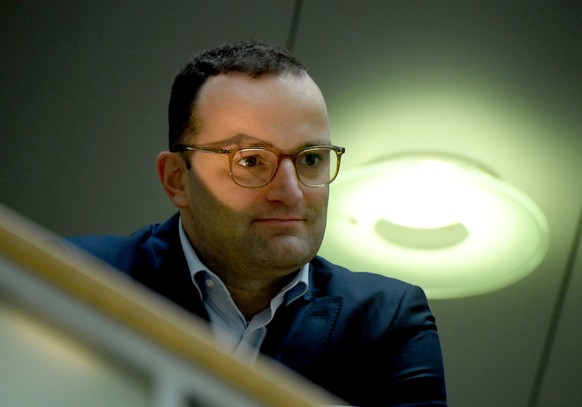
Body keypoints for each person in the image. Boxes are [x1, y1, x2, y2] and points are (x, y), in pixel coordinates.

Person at [67, 39, 447, 406]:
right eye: (250, 160)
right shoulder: (78, 276)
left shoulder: (385, 321)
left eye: (311, 159)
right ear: (177, 179)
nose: (290, 192)